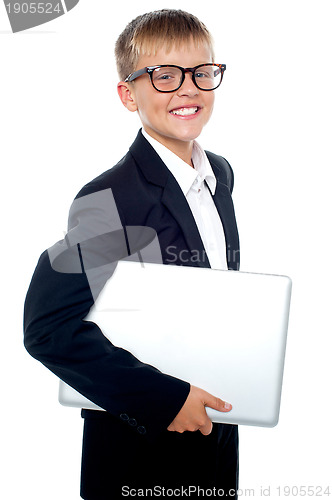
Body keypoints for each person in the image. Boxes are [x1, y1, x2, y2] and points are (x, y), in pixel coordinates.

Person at [24, 9, 240, 499]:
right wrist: (166, 400)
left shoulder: (220, 175)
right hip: (139, 446)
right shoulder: (109, 198)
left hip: (218, 428)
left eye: (201, 73)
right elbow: (49, 330)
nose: (188, 89)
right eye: (164, 76)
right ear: (128, 94)